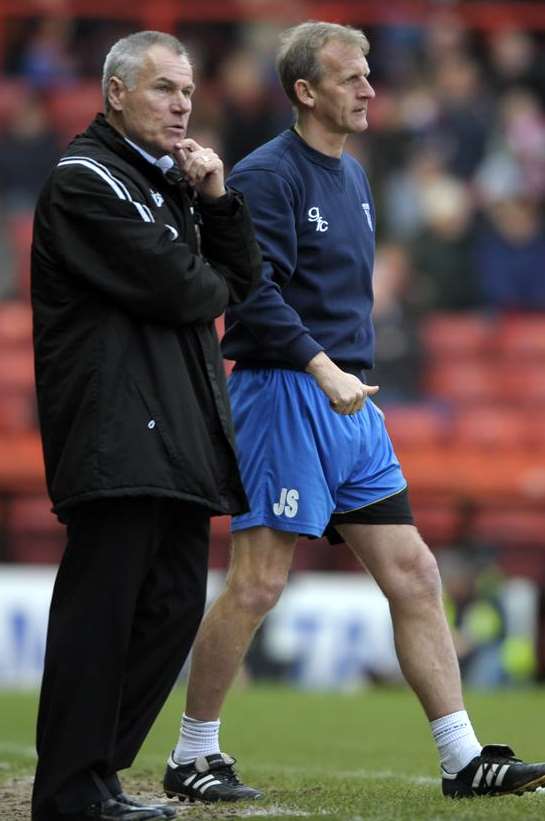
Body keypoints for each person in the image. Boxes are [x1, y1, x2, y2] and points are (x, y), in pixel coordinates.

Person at [161, 21, 545, 803]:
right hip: (285, 391)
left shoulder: (354, 175)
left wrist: (344, 375)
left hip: (350, 401)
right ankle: (190, 752)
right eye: (350, 77)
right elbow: (250, 295)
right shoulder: (270, 176)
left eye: (369, 73)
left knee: (414, 571)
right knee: (260, 583)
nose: (369, 88)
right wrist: (321, 367)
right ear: (305, 91)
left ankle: (461, 756)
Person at [31, 30, 261, 821]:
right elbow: (187, 290)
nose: (182, 104)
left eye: (189, 91)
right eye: (164, 88)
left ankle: (96, 774)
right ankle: (70, 786)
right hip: (114, 429)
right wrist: (201, 255)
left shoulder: (167, 185)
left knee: (168, 607)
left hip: (177, 431)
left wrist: (220, 199)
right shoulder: (85, 180)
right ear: (116, 93)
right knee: (102, 611)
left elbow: (238, 281)